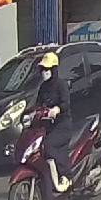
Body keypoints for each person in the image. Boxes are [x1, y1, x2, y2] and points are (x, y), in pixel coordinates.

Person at [35, 51, 74, 192]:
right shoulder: (43, 87)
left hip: (63, 125)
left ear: (54, 69)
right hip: (48, 126)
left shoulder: (61, 85)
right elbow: (37, 105)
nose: (44, 72)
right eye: (42, 69)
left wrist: (57, 109)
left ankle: (66, 176)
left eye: (47, 69)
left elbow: (66, 103)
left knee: (49, 145)